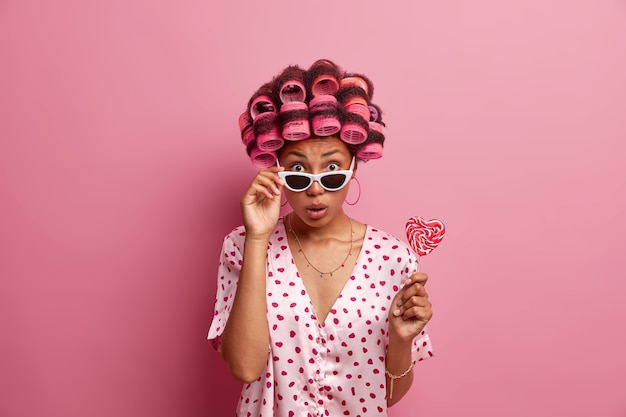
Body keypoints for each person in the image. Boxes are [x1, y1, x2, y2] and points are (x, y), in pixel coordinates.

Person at [208, 59, 434, 417]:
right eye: (297, 172)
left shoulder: (393, 258)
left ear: (354, 167)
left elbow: (386, 396)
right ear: (275, 168)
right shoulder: (243, 245)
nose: (315, 190)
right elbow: (245, 369)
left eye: (332, 172)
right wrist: (257, 238)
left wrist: (402, 341)